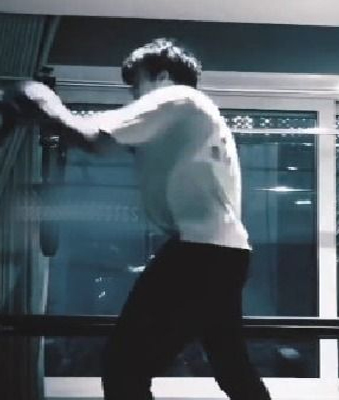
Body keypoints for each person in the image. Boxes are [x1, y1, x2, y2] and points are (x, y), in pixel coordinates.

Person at [20, 37, 271, 400]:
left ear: (163, 75)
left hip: (200, 253)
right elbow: (108, 142)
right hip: (226, 253)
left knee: (123, 367)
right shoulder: (193, 115)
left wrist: (39, 98)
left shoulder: (177, 98)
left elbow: (90, 137)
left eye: (136, 84)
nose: (135, 96)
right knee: (232, 368)